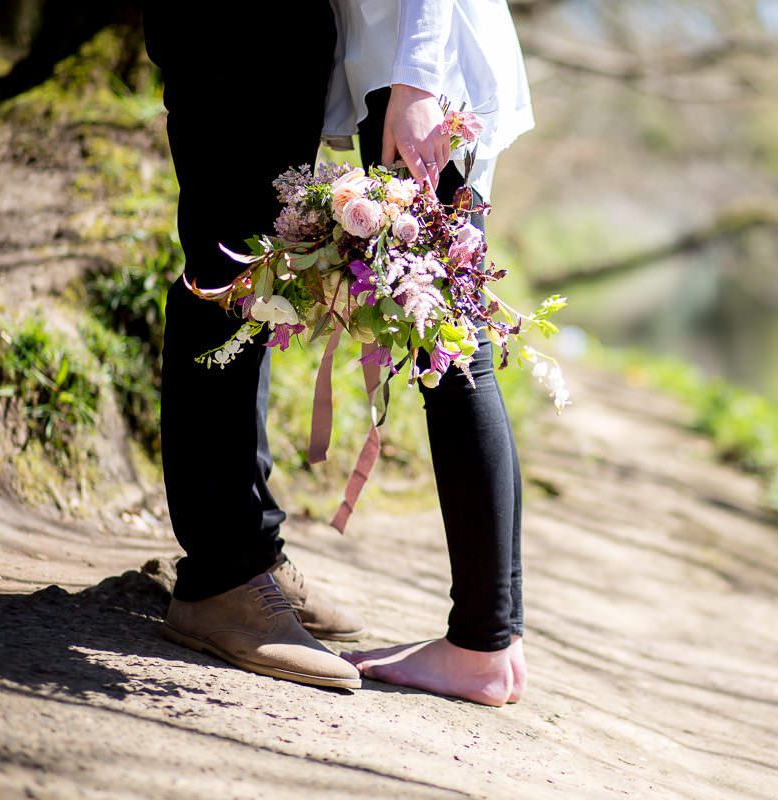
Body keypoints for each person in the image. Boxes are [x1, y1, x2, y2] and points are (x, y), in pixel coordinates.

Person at [141, 1, 534, 707]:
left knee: (448, 337)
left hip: (421, 70)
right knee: (439, 330)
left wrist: (415, 82)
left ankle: (484, 642)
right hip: (397, 68)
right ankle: (483, 640)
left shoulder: (413, 68)